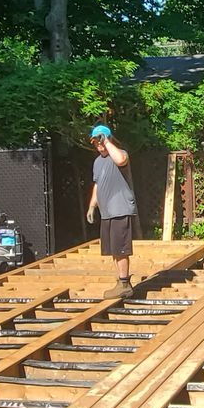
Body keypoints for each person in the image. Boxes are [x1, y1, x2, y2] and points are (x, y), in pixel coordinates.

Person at [86, 124, 137, 296]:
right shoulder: (97, 162)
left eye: (100, 139)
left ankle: (124, 284)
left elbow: (121, 160)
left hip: (120, 209)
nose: (98, 144)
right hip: (107, 212)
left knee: (121, 248)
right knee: (113, 249)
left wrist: (106, 141)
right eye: (96, 141)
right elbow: (97, 185)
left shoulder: (119, 154)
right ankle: (120, 281)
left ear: (107, 139)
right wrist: (92, 205)